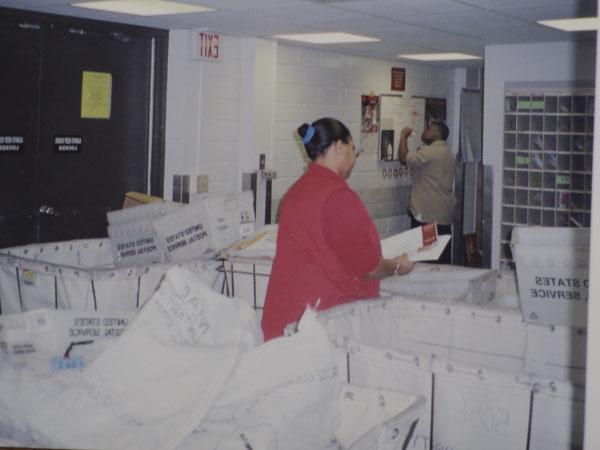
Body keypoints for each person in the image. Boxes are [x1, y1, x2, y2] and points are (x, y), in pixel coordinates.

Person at [262, 117, 415, 341]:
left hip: (287, 322)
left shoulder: (295, 192)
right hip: (319, 328)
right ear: (339, 147)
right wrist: (398, 265)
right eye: (354, 150)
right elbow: (368, 268)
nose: (354, 158)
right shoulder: (338, 198)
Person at [397, 119, 456, 264]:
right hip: (444, 217)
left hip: (428, 219)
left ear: (437, 132)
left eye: (428, 128)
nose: (425, 131)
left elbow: (404, 158)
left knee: (425, 261)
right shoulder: (448, 154)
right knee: (441, 262)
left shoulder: (430, 152)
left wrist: (403, 136)